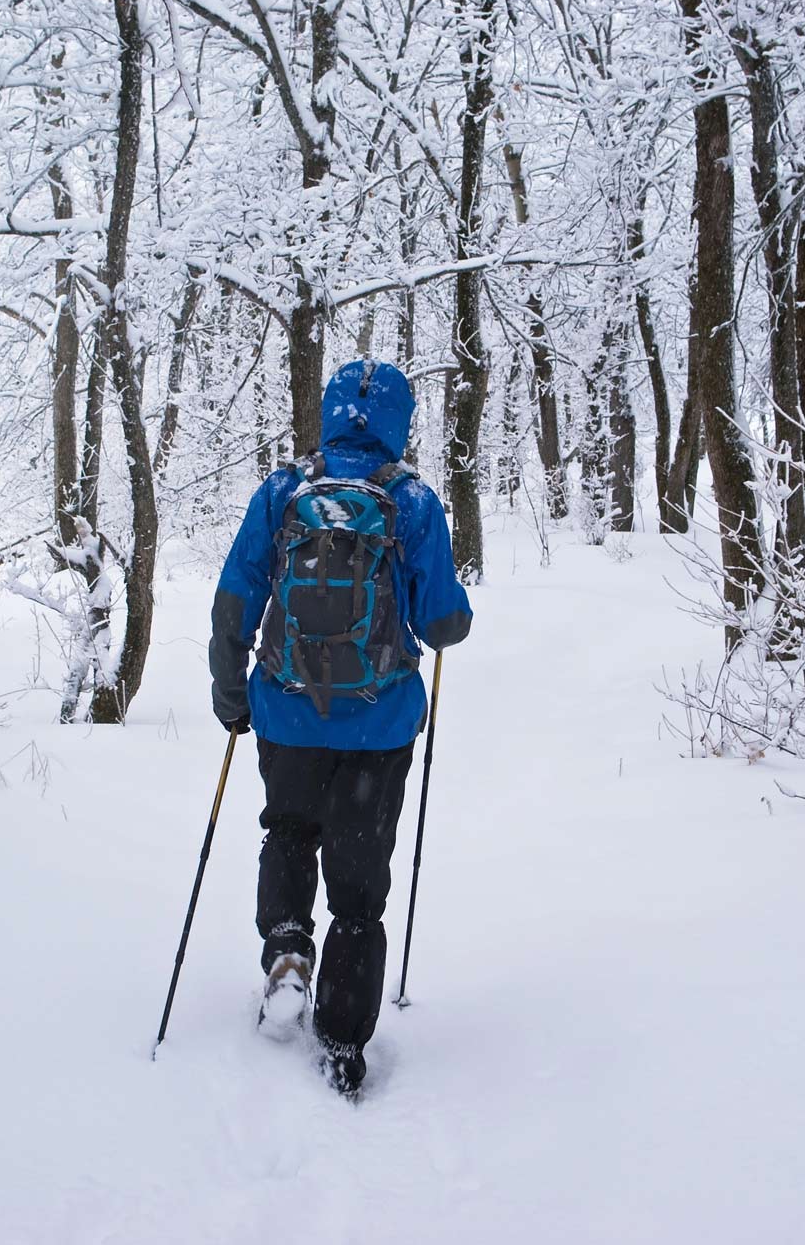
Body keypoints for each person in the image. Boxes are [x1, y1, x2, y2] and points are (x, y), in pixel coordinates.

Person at [208, 359, 472, 1097]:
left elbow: (234, 601)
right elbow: (441, 617)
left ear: (328, 413)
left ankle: (287, 947)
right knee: (358, 887)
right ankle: (344, 1043)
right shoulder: (411, 500)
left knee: (288, 829)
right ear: (399, 421)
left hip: (285, 712)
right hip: (379, 725)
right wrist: (453, 619)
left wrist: (233, 695)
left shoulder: (284, 490)